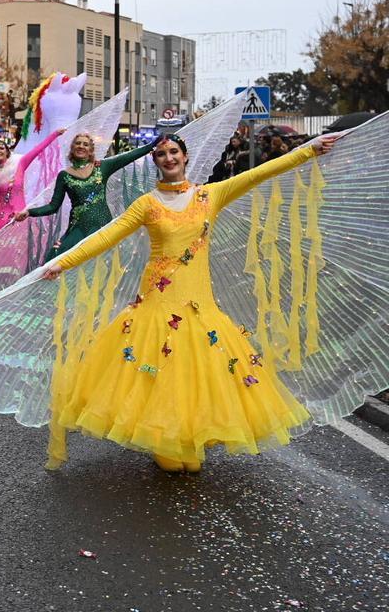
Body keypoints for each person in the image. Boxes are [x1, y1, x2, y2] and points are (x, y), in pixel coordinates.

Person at [40, 132, 338, 472]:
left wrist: (307, 152)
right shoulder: (147, 204)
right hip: (158, 300)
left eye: (174, 152)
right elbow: (108, 235)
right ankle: (163, 437)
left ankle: (188, 436)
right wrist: (63, 262)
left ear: (185, 156)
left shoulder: (210, 195)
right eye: (162, 154)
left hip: (199, 302)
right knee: (162, 366)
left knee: (196, 370)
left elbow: (259, 173)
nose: (168, 158)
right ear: (155, 162)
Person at [13, 132, 156, 260]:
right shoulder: (64, 175)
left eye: (85, 144)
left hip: (102, 227)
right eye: (78, 143)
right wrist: (29, 212)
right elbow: (53, 206)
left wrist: (154, 144)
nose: (81, 146)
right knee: (59, 259)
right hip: (78, 228)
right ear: (72, 148)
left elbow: (129, 156)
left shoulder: (101, 167)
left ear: (91, 150)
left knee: (101, 265)